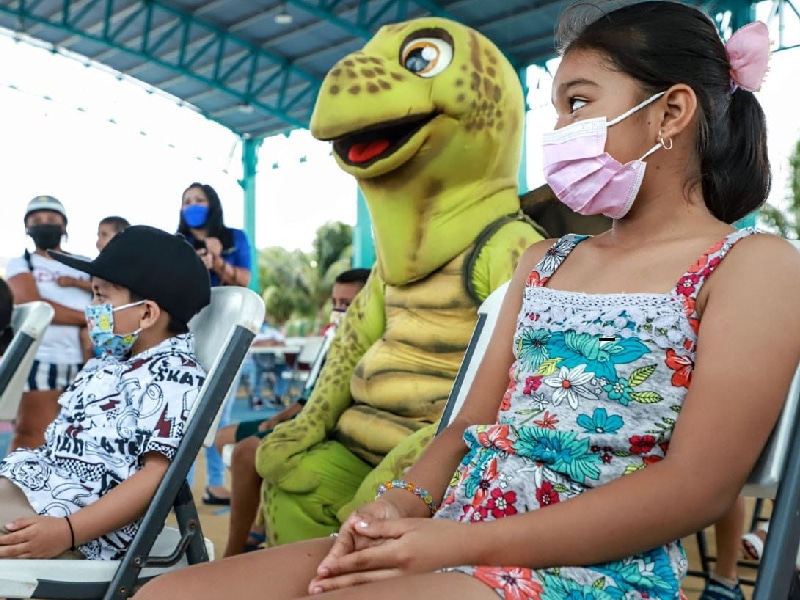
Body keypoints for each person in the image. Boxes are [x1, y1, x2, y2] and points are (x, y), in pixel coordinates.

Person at [136, 3, 800, 598]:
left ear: (671, 112)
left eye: (577, 103)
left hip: (589, 569)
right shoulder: (547, 260)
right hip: (457, 530)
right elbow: (464, 428)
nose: (559, 131)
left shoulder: (752, 267)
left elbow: (696, 489)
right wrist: (398, 506)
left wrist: (456, 545)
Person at [0, 225, 210, 559]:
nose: (91, 308)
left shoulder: (173, 375)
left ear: (146, 313)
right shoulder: (112, 361)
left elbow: (158, 475)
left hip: (78, 527)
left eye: (101, 296)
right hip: (39, 490)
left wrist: (67, 532)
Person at [215, 267, 371, 557]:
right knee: (223, 436)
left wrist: (291, 420)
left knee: (247, 452)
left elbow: (334, 406)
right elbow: (311, 395)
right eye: (335, 303)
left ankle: (234, 552)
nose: (338, 310)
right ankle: (255, 519)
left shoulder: (372, 348)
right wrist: (286, 414)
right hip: (305, 414)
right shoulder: (335, 340)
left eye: (347, 305)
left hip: (327, 425)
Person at [178, 182, 252, 506]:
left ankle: (216, 484)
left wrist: (218, 262)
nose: (192, 206)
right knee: (185, 409)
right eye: (186, 201)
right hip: (187, 331)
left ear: (213, 204)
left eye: (199, 200)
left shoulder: (235, 239)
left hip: (228, 330)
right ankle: (182, 486)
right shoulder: (176, 244)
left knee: (220, 412)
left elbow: (246, 281)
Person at [5, 196, 92, 451]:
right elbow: (34, 307)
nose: (44, 225)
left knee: (77, 438)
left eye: (52, 220)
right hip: (41, 358)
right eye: (37, 220)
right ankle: (13, 491)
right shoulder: (21, 263)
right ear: (27, 228)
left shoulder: (85, 263)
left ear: (64, 226)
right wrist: (87, 320)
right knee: (31, 435)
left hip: (86, 360)